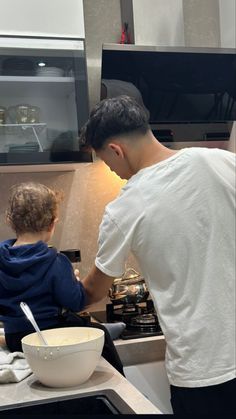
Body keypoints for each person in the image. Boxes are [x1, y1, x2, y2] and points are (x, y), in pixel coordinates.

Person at [79, 95, 236, 415]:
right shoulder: (220, 161)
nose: (115, 172)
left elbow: (92, 294)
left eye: (108, 163)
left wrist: (67, 283)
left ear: (115, 150)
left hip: (202, 372)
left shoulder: (125, 207)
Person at [0, 182, 124, 375]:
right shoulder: (56, 262)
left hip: (15, 336)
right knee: (102, 336)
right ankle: (123, 388)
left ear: (10, 221)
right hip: (51, 335)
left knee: (89, 326)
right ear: (52, 224)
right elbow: (75, 302)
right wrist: (73, 282)